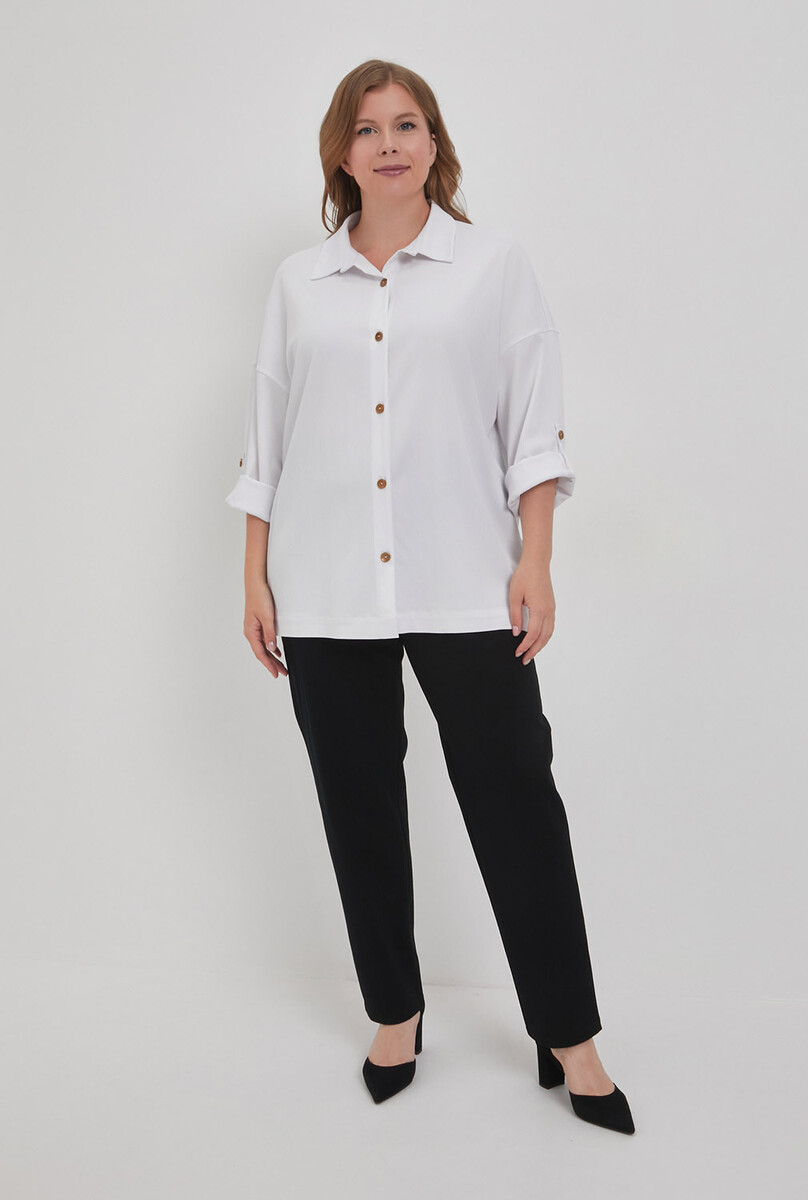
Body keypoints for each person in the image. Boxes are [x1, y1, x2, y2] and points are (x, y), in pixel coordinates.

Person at [225, 59, 635, 1135]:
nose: (390, 144)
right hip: (324, 585)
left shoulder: (492, 265)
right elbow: (268, 437)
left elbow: (533, 426)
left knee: (516, 801)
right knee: (356, 805)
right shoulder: (299, 283)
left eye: (408, 125)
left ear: (435, 142)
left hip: (465, 579)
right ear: (341, 153)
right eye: (368, 130)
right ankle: (395, 1014)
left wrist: (535, 560)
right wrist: (256, 574)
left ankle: (570, 1034)